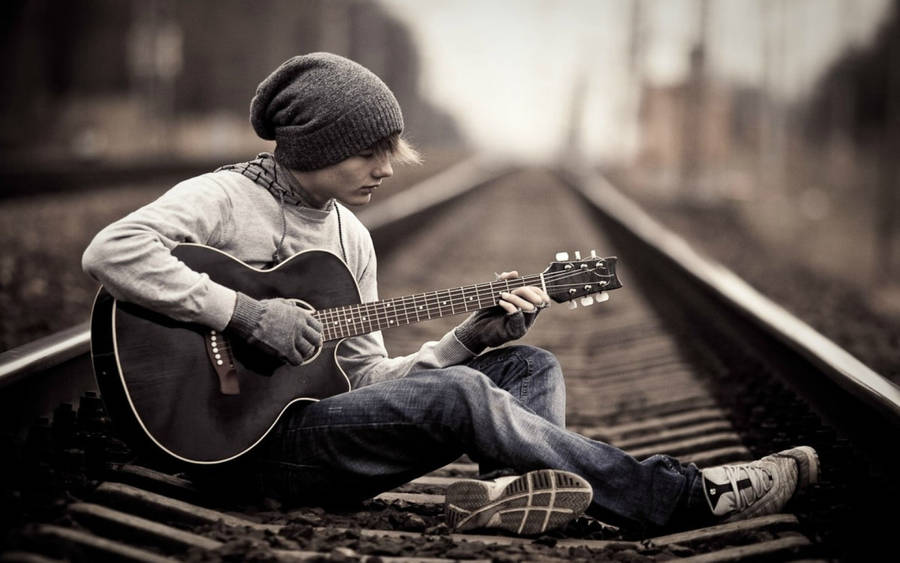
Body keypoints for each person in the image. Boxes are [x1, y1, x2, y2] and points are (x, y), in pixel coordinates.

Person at [82, 52, 819, 537]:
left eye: (390, 155)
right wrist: (243, 311)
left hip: (324, 428)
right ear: (315, 142)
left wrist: (467, 339)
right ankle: (678, 495)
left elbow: (369, 383)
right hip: (245, 444)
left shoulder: (350, 238)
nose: (386, 170)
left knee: (528, 369)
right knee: (464, 395)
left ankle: (513, 499)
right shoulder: (222, 198)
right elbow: (111, 250)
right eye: (372, 153)